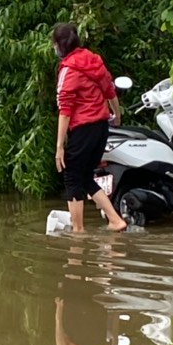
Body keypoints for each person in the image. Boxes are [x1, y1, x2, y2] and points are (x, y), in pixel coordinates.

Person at [52, 23, 128, 232]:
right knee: (85, 177)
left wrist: (59, 146)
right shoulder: (94, 60)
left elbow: (65, 109)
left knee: (72, 177)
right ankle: (115, 220)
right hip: (101, 128)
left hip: (83, 129)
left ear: (59, 45)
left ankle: (78, 233)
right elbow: (109, 90)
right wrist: (117, 114)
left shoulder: (69, 69)